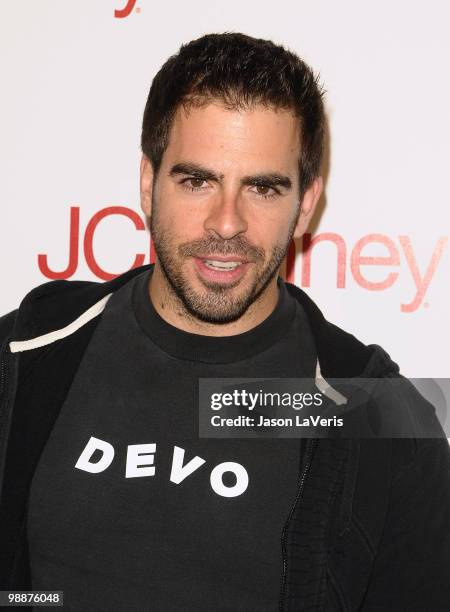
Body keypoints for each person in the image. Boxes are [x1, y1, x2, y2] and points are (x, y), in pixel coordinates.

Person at [0, 32, 448, 611]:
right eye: (197, 181)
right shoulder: (25, 354)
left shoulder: (379, 416)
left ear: (306, 203)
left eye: (262, 187)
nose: (227, 222)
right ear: (147, 182)